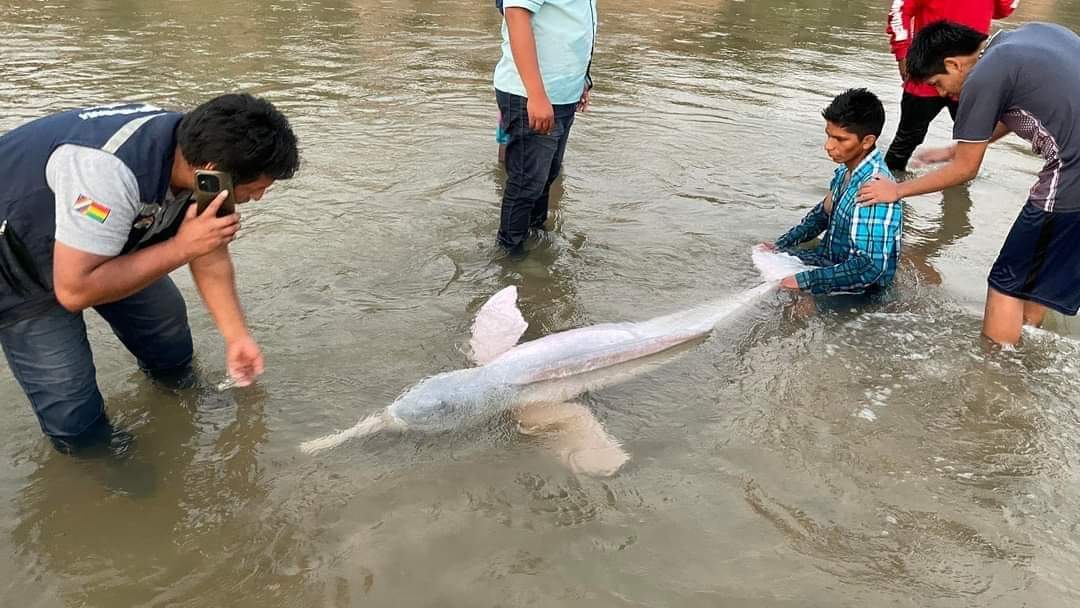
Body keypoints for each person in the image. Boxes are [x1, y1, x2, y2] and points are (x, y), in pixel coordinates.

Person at [0, 94, 300, 453]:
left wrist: (237, 338)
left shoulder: (210, 163)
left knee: (165, 326)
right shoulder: (105, 171)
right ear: (211, 168)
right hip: (20, 259)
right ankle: (97, 459)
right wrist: (180, 247)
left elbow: (209, 251)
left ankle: (178, 388)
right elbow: (74, 291)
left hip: (102, 236)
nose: (259, 197)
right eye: (256, 188)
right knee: (70, 399)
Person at [858, 21, 1080, 346]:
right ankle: (1028, 344)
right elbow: (1030, 107)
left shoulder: (983, 75)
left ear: (953, 63)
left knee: (1006, 284)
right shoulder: (1028, 38)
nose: (941, 93)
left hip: (1072, 175)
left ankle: (993, 377)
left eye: (938, 82)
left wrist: (896, 190)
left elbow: (965, 170)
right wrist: (958, 148)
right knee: (1033, 276)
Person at [759, 89, 903, 296]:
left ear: (867, 141)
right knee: (753, 259)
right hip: (829, 261)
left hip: (860, 291)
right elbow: (821, 216)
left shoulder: (874, 189)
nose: (829, 146)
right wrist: (780, 246)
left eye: (840, 139)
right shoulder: (847, 170)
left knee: (793, 301)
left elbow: (870, 268)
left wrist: (804, 281)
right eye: (828, 135)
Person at [493, 0, 596, 254]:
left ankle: (535, 243)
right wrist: (536, 95)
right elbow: (516, 14)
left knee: (546, 176)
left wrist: (582, 79)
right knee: (526, 183)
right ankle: (510, 256)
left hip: (562, 94)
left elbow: (572, 23)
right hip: (532, 95)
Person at [884, 0, 1018, 172]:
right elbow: (899, 10)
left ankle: (956, 186)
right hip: (930, 72)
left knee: (973, 141)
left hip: (969, 76)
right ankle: (883, 187)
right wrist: (903, 54)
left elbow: (1004, 9)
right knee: (906, 140)